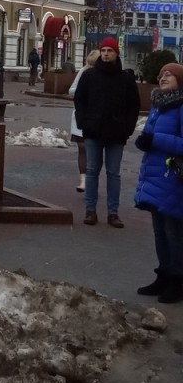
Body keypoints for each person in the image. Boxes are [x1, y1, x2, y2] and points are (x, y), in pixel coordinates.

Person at [73, 36, 140, 228]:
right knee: (92, 171)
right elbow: (80, 100)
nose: (106, 54)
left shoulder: (125, 78)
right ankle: (90, 210)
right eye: (103, 51)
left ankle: (113, 212)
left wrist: (128, 127)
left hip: (117, 133)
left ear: (116, 53)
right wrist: (83, 122)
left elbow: (134, 105)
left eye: (109, 51)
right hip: (93, 130)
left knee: (113, 173)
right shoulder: (89, 76)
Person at [133, 61, 183, 304]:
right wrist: (146, 140)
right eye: (162, 74)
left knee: (174, 231)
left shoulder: (181, 106)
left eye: (169, 75)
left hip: (173, 177)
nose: (163, 77)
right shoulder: (159, 105)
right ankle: (163, 274)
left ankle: (178, 280)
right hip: (155, 175)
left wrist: (155, 139)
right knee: (159, 231)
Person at [68, 50, 100, 193]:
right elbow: (72, 91)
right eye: (90, 64)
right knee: (82, 147)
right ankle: (83, 180)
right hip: (81, 117)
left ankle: (92, 179)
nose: (91, 67)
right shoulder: (83, 72)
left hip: (97, 119)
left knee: (93, 149)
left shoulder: (103, 75)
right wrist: (83, 91)